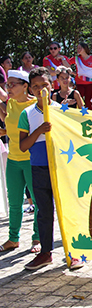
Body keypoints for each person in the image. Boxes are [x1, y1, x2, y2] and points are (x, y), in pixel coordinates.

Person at [19, 68, 82, 270]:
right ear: (30, 88)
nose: (40, 89)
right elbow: (23, 145)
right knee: (44, 211)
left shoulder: (61, 111)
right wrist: (40, 130)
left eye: (44, 85)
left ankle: (73, 252)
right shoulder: (27, 114)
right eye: (35, 86)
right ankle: (45, 253)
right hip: (38, 168)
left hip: (61, 168)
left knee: (67, 209)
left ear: (51, 85)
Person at [0, 70, 39, 253]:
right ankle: (13, 239)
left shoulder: (36, 105)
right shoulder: (10, 104)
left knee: (38, 202)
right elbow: (12, 127)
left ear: (25, 86)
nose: (8, 88)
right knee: (14, 202)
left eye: (12, 84)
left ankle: (38, 238)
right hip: (13, 159)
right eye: (7, 84)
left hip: (32, 160)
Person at [75, 42, 92, 106]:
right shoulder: (76, 58)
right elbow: (67, 64)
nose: (78, 50)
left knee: (89, 101)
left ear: (85, 48)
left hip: (90, 84)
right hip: (79, 83)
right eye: (77, 48)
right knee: (79, 101)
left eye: (80, 48)